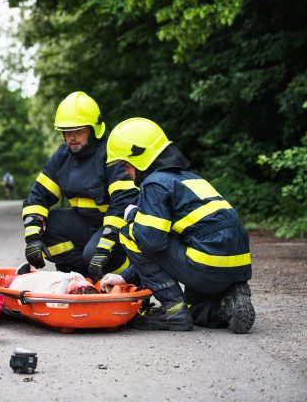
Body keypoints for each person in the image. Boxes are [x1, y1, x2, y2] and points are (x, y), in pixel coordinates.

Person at [101, 117, 255, 333]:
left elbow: (151, 243)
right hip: (236, 265)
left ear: (140, 157)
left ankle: (174, 312)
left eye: (126, 164)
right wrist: (124, 277)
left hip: (206, 264)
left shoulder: (155, 183)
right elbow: (161, 246)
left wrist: (134, 216)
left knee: (130, 231)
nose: (126, 172)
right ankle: (226, 302)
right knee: (195, 309)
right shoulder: (190, 179)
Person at [22, 91, 139, 279]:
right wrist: (32, 238)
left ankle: (132, 275)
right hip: (85, 224)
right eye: (67, 132)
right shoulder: (62, 156)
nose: (72, 137)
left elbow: (122, 204)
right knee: (46, 229)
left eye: (78, 131)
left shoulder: (112, 153)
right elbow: (38, 196)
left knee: (94, 254)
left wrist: (105, 245)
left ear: (94, 129)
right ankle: (83, 274)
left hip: (118, 230)